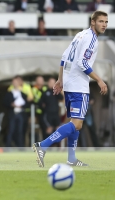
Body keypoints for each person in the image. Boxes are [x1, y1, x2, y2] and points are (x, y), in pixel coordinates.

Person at [33, 10, 108, 167]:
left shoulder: (80, 35)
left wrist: (61, 80)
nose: (104, 25)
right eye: (101, 21)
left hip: (69, 84)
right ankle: (43, 145)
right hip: (78, 85)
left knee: (75, 122)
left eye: (106, 22)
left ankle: (72, 158)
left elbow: (64, 56)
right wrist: (100, 80)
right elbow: (82, 63)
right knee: (77, 123)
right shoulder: (92, 39)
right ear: (92, 22)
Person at [4, 77, 27, 147]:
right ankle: (8, 145)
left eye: (17, 82)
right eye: (14, 82)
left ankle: (20, 146)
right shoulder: (9, 93)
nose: (15, 83)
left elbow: (27, 104)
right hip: (12, 114)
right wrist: (11, 104)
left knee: (20, 130)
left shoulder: (23, 94)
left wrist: (21, 106)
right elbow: (5, 103)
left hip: (21, 113)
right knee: (11, 130)